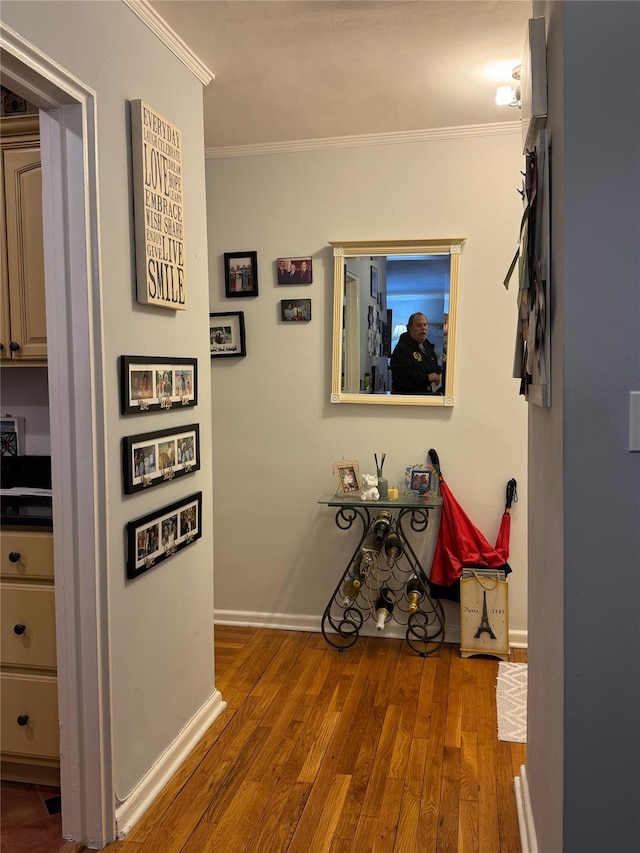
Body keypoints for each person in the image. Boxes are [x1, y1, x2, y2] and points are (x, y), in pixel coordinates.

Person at [390, 312, 442, 394]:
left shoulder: (428, 348)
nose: (423, 328)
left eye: (425, 325)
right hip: (409, 399)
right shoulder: (401, 349)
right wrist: (427, 378)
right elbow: (402, 377)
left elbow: (433, 368)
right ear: (409, 328)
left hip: (430, 397)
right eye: (419, 325)